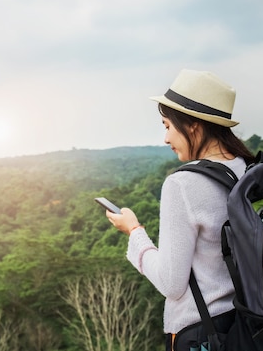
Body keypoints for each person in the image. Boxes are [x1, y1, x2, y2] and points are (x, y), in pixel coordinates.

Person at [105, 69, 254, 351]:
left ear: (194, 125)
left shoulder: (183, 184)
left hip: (202, 333)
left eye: (167, 126)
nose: (165, 138)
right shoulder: (248, 171)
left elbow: (171, 284)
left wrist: (134, 233)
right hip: (245, 327)